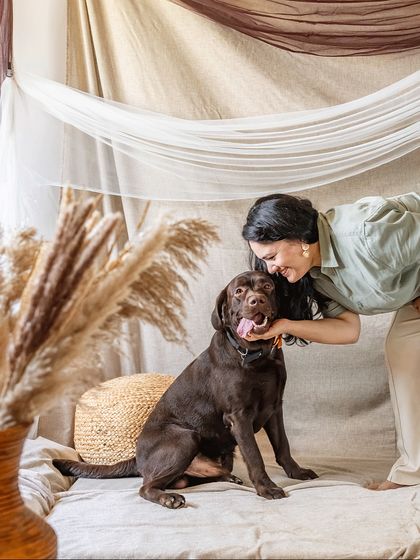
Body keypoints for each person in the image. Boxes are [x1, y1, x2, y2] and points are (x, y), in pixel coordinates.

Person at [242, 192, 420, 490]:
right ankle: (413, 471)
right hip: (413, 295)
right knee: (402, 351)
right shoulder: (316, 274)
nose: (271, 269)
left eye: (272, 257)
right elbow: (348, 330)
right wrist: (284, 325)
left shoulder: (366, 234)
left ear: (299, 239)